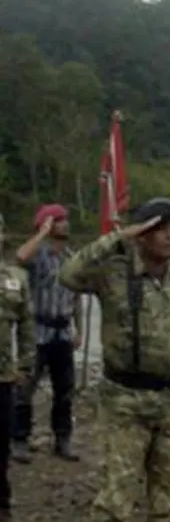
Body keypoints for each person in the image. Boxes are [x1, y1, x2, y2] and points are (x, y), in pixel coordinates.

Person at [57, 198, 170, 522]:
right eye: (160, 229)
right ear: (141, 234)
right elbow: (68, 276)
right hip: (125, 402)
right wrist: (117, 237)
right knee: (116, 500)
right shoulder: (114, 269)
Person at [12, 203, 84, 463]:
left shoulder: (71, 257)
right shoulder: (38, 254)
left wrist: (79, 329)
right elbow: (19, 257)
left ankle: (62, 438)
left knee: (65, 389)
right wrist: (41, 233)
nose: (65, 223)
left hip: (62, 332)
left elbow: (75, 298)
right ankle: (19, 438)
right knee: (25, 388)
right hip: (38, 331)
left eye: (65, 219)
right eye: (59, 219)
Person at [0, 214, 36, 522]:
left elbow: (26, 325)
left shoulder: (15, 279)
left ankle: (2, 499)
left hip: (3, 377)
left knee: (2, 443)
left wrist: (25, 364)